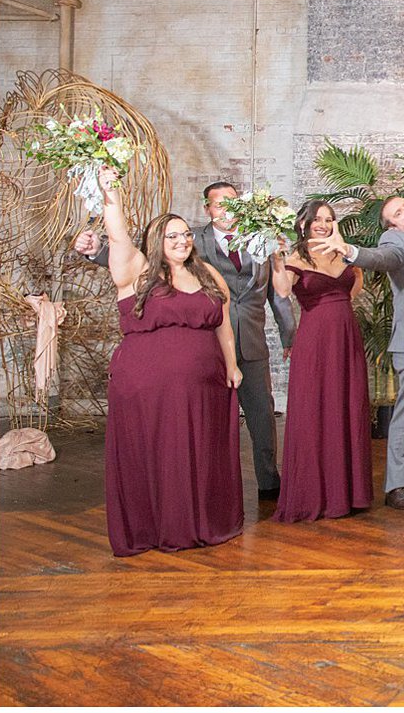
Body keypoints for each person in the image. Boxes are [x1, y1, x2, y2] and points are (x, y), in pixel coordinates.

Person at [74, 180, 297, 500]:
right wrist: (97, 251)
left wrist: (289, 333)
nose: (227, 210)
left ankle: (268, 480)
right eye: (219, 204)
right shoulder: (190, 239)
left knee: (262, 414)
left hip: (249, 342)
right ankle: (211, 482)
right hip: (203, 348)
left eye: (233, 203)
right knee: (207, 421)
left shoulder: (262, 240)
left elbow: (277, 295)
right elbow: (144, 259)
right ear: (207, 208)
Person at [94, 166, 244, 555]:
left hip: (204, 386)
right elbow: (117, 234)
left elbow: (223, 324)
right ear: (157, 239)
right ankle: (155, 526)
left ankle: (198, 521)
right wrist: (111, 192)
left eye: (186, 234)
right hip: (146, 386)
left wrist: (231, 364)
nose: (182, 240)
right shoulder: (136, 272)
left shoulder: (207, 272)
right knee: (157, 453)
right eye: (173, 235)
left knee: (198, 453)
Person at [314, 195, 404, 512]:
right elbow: (384, 258)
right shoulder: (394, 240)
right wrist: (350, 252)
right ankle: (396, 485)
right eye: (398, 212)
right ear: (392, 224)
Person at [269, 201, 372, 523]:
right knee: (315, 410)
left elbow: (354, 292)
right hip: (314, 343)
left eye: (329, 220)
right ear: (304, 223)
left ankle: (348, 492)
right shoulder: (294, 258)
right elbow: (283, 292)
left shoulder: (344, 255)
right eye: (317, 220)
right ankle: (315, 493)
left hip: (346, 340)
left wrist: (342, 246)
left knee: (348, 408)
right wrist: (276, 258)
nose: (324, 225)